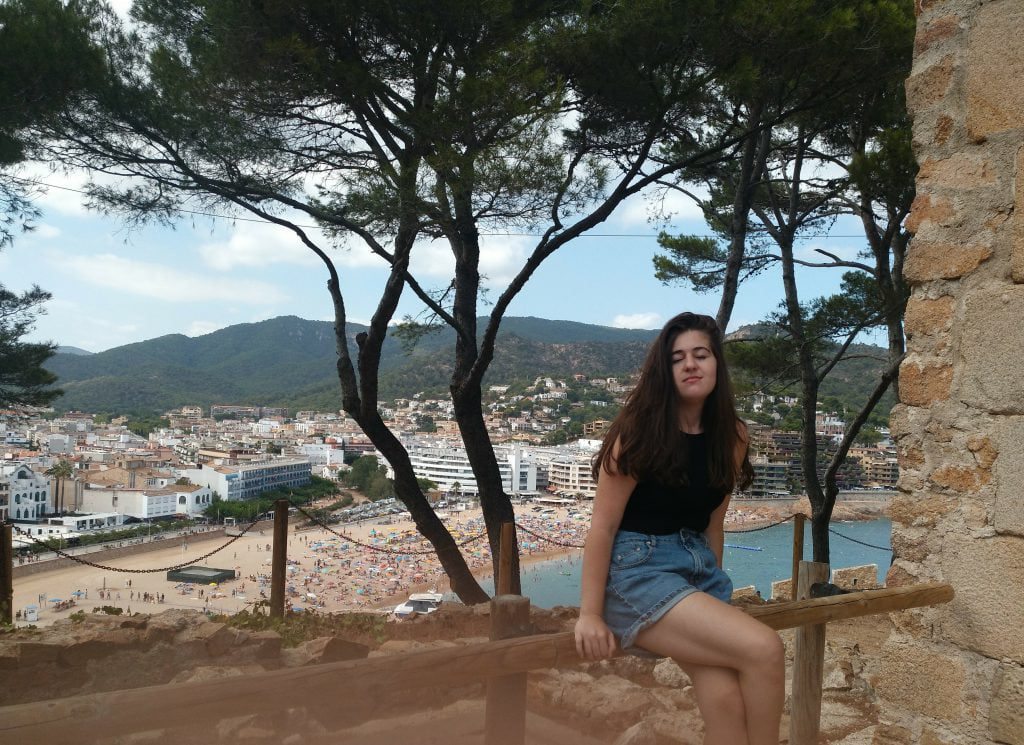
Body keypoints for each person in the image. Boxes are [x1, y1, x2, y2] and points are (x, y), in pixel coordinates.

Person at [574, 312, 784, 745]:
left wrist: (714, 593)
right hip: (638, 574)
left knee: (726, 700)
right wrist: (589, 615)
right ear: (665, 372)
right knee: (765, 649)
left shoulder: (733, 436)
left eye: (700, 354)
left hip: (698, 572)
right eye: (677, 358)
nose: (690, 364)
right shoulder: (638, 433)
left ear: (716, 365)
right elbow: (602, 528)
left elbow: (714, 525)